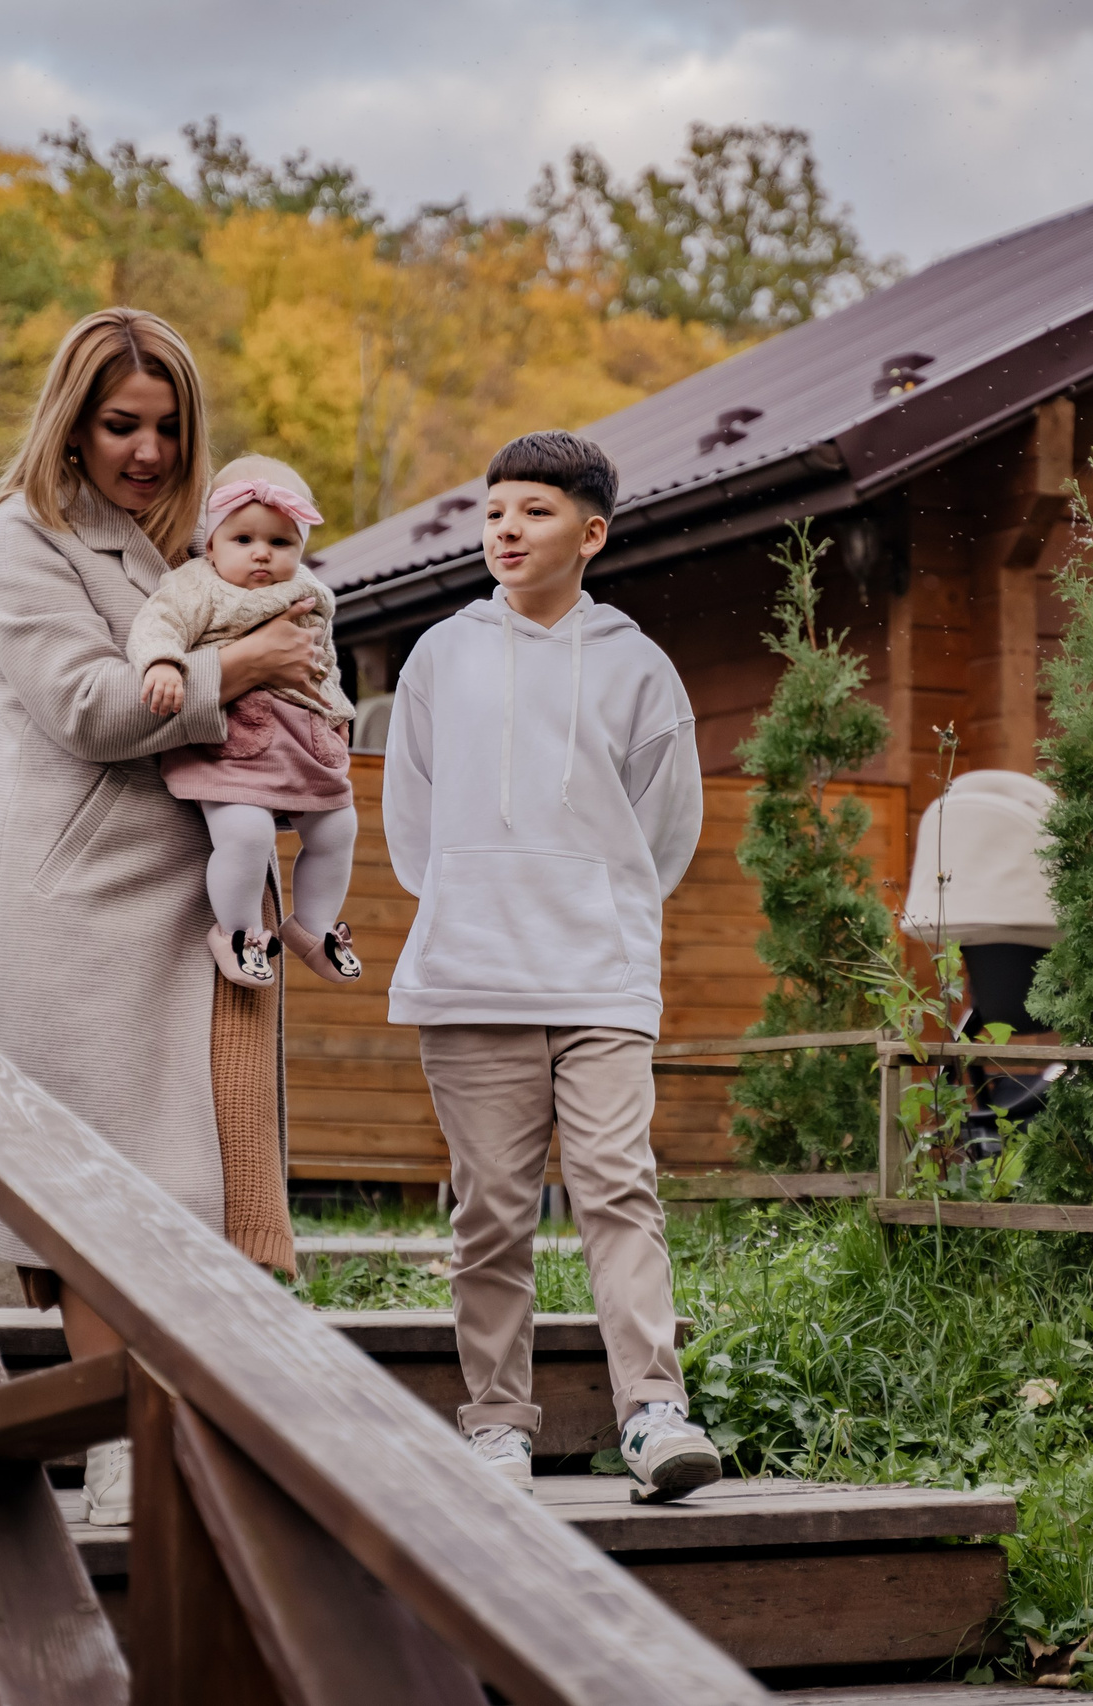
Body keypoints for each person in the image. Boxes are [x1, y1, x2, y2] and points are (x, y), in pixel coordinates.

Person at [0, 307, 314, 1528]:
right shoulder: (22, 537)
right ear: (72, 423)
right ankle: (120, 1449)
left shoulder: (200, 540)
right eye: (122, 425)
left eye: (169, 427)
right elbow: (86, 705)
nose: (150, 450)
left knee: (205, 1177)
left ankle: (191, 1432)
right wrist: (245, 669)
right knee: (97, 1179)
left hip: (200, 897)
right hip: (82, 902)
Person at [382, 430, 720, 1502]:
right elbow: (410, 813)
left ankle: (654, 1413)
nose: (507, 530)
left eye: (533, 510)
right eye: (493, 513)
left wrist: (596, 901)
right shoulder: (439, 656)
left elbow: (667, 827)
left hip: (599, 979)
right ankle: (496, 1426)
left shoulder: (637, 665)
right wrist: (471, 900)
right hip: (471, 974)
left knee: (618, 1188)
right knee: (491, 1210)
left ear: (591, 532)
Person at [131, 454, 363, 989]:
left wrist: (337, 713)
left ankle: (314, 926)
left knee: (338, 827)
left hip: (304, 737)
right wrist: (163, 664)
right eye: (243, 539)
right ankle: (239, 933)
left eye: (280, 542)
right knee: (246, 833)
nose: (262, 553)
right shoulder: (198, 585)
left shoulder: (310, 593)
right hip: (232, 738)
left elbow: (324, 662)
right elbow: (157, 623)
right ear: (212, 544)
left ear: (300, 549)